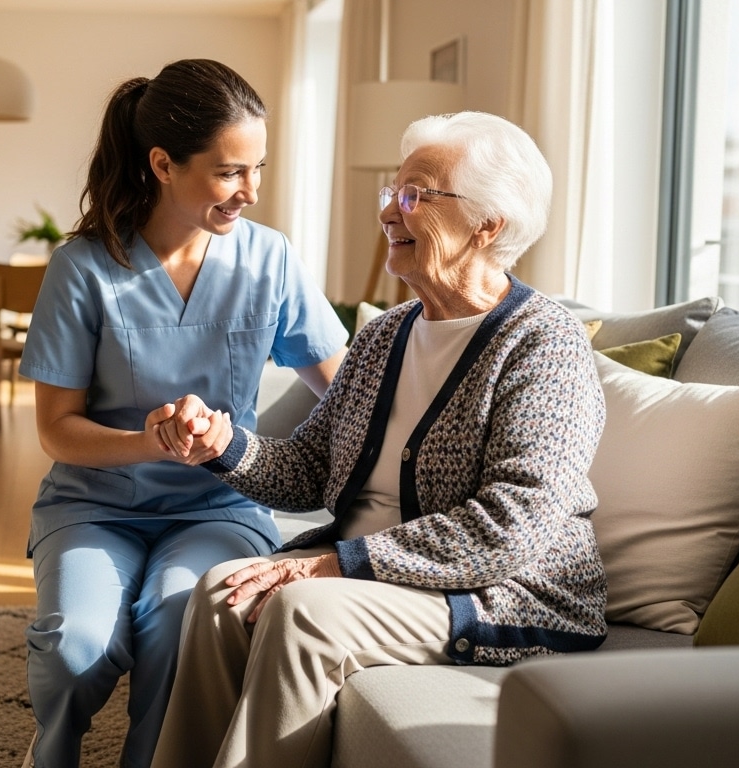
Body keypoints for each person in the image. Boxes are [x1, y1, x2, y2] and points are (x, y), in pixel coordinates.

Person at [147, 111, 609, 768]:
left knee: (302, 609)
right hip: (384, 580)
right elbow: (310, 468)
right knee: (228, 592)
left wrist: (340, 563)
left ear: (488, 224)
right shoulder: (387, 334)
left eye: (415, 195)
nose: (390, 211)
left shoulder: (543, 345)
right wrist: (221, 444)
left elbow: (512, 527)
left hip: (502, 593)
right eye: (390, 193)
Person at [17, 59, 349, 768]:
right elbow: (55, 429)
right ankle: (51, 752)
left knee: (178, 624)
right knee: (78, 644)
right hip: (94, 503)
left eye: (258, 168)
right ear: (163, 164)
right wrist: (151, 442)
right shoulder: (82, 268)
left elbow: (351, 391)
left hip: (218, 508)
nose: (251, 193)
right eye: (231, 172)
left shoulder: (271, 261)